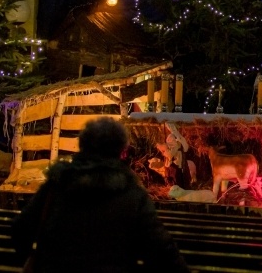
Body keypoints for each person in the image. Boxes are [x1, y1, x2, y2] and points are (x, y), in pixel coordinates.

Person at [11, 117, 190, 273]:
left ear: (82, 145)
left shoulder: (56, 186)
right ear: (121, 150)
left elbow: (21, 229)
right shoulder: (132, 195)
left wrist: (40, 261)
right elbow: (161, 250)